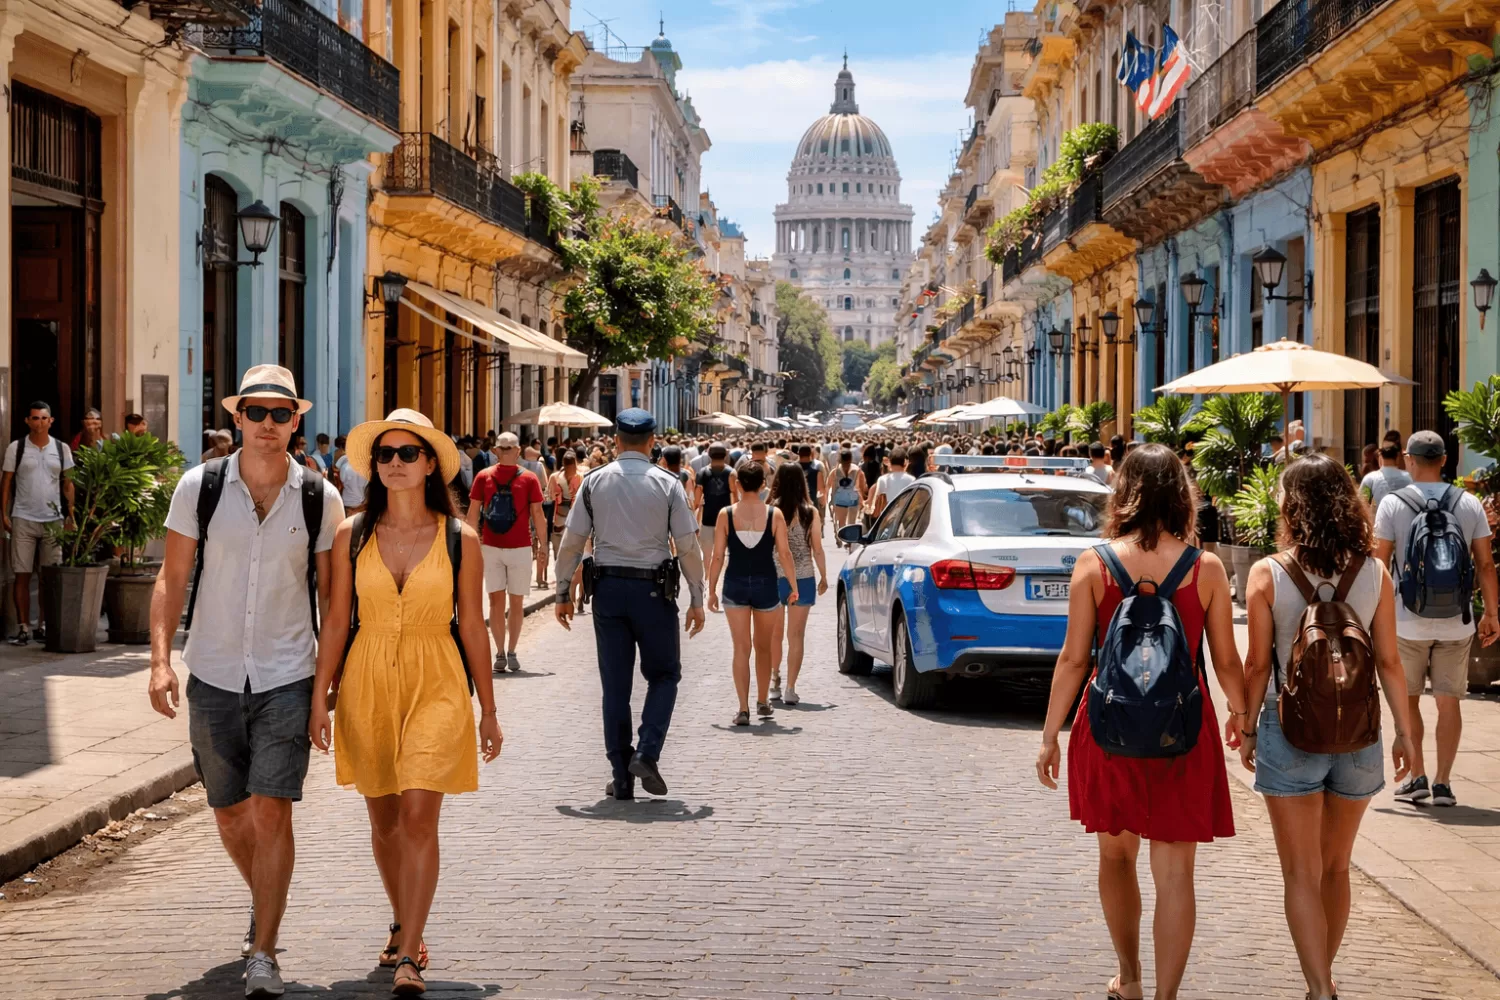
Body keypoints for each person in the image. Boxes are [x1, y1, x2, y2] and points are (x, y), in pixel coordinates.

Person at [146, 365, 344, 997]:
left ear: (295, 422)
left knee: (271, 807)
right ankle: (265, 900)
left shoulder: (320, 497)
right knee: (230, 815)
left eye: (280, 414)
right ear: (236, 419)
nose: (267, 425)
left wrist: (326, 689)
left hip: (288, 672)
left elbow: (331, 601)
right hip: (213, 671)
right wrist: (158, 660)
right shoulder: (198, 488)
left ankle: (265, 952)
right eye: (255, 413)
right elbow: (171, 580)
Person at [1035, 443, 1246, 1000]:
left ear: (1123, 492)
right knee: (1176, 873)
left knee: (1115, 855)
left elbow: (1075, 658)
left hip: (1109, 729)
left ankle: (1128, 977)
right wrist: (1242, 715)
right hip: (1185, 729)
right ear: (1182, 495)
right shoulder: (1206, 568)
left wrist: (1050, 734)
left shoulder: (1094, 563)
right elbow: (1225, 659)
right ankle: (1166, 996)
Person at [308, 409, 500, 997]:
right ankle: (401, 923)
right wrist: (321, 696)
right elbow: (337, 620)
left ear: (430, 465)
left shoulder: (459, 538)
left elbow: (473, 626)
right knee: (385, 820)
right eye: (384, 455)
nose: (394, 463)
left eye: (407, 454)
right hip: (366, 679)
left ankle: (411, 953)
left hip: (436, 678)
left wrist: (489, 709)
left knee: (419, 816)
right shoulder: (352, 534)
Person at [1239, 452, 1415, 1000]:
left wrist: (1246, 727)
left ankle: (1319, 986)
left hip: (1289, 730)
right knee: (1336, 868)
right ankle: (1324, 979)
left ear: (1293, 507)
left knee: (1300, 872)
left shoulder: (1268, 572)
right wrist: (1407, 733)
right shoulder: (1374, 573)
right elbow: (1389, 662)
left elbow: (1257, 664)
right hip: (1360, 734)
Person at [552, 408, 707, 799]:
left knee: (615, 687)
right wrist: (697, 596)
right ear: (652, 443)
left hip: (607, 591)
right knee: (665, 675)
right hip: (654, 592)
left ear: (617, 441)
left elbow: (571, 542)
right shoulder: (668, 484)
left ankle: (621, 776)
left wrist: (562, 591)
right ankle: (647, 752)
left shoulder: (593, 483)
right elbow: (687, 546)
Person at [1374, 430, 1499, 807]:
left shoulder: (1392, 504)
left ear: (1409, 460)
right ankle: (1444, 784)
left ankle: (1418, 777)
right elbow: (1486, 564)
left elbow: (1379, 565)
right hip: (1456, 620)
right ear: (1446, 460)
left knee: (1408, 700)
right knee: (1449, 701)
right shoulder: (1469, 503)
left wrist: (1373, 619)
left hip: (1405, 620)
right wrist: (1491, 613)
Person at [706, 459, 799, 725]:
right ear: (762, 485)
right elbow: (784, 554)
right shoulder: (774, 514)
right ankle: (762, 700)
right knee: (763, 647)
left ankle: (743, 708)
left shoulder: (726, 514)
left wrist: (711, 589)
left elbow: (717, 556)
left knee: (741, 647)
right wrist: (793, 585)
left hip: (734, 583)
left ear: (737, 484)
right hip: (766, 583)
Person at [467, 432, 546, 674]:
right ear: (497, 451)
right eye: (504, 448)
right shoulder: (484, 477)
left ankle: (511, 650)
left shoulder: (530, 479)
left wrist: (544, 546)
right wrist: (470, 546)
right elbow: (472, 514)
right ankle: (500, 652)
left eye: (511, 447)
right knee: (495, 600)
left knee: (517, 600)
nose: (508, 451)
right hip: (491, 547)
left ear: (518, 450)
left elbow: (538, 515)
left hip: (520, 547)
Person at [3, 401, 75, 646]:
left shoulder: (62, 448)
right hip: (23, 517)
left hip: (53, 520)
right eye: (35, 418)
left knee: (49, 577)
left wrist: (71, 515)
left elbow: (68, 482)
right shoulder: (17, 448)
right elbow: (6, 482)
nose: (39, 422)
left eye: (44, 418)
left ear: (51, 421)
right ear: (27, 421)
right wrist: (3, 513)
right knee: (21, 575)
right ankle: (24, 627)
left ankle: (44, 625)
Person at [768, 462, 828, 705]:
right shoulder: (810, 512)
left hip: (774, 577)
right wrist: (824, 576)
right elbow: (818, 549)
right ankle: (791, 687)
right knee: (796, 636)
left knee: (774, 635)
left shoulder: (770, 509)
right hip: (803, 577)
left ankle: (774, 681)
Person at [694, 443, 733, 556]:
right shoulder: (732, 473)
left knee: (707, 553)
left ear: (709, 455)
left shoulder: (702, 473)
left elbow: (697, 501)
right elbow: (735, 497)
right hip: (726, 519)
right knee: (722, 553)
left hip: (707, 519)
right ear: (725, 455)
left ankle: (708, 574)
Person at [520, 446, 550, 588]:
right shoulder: (539, 466)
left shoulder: (520, 466)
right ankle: (539, 577)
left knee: (527, 541)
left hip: (523, 508)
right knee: (540, 542)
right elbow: (544, 484)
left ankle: (526, 576)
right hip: (536, 506)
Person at [1359, 440, 1411, 509]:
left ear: (1380, 457)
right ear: (1397, 457)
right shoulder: (1409, 478)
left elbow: (1363, 504)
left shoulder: (1369, 479)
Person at [828, 449, 861, 546]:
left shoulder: (835, 471)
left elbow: (830, 486)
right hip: (853, 497)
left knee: (841, 521)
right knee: (852, 520)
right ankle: (850, 540)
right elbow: (860, 486)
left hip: (840, 498)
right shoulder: (856, 470)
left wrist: (831, 500)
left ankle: (844, 538)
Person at [871, 447, 913, 518]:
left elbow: (875, 502)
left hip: (886, 519)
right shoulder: (911, 479)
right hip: (903, 517)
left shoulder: (882, 479)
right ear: (904, 462)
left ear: (890, 461)